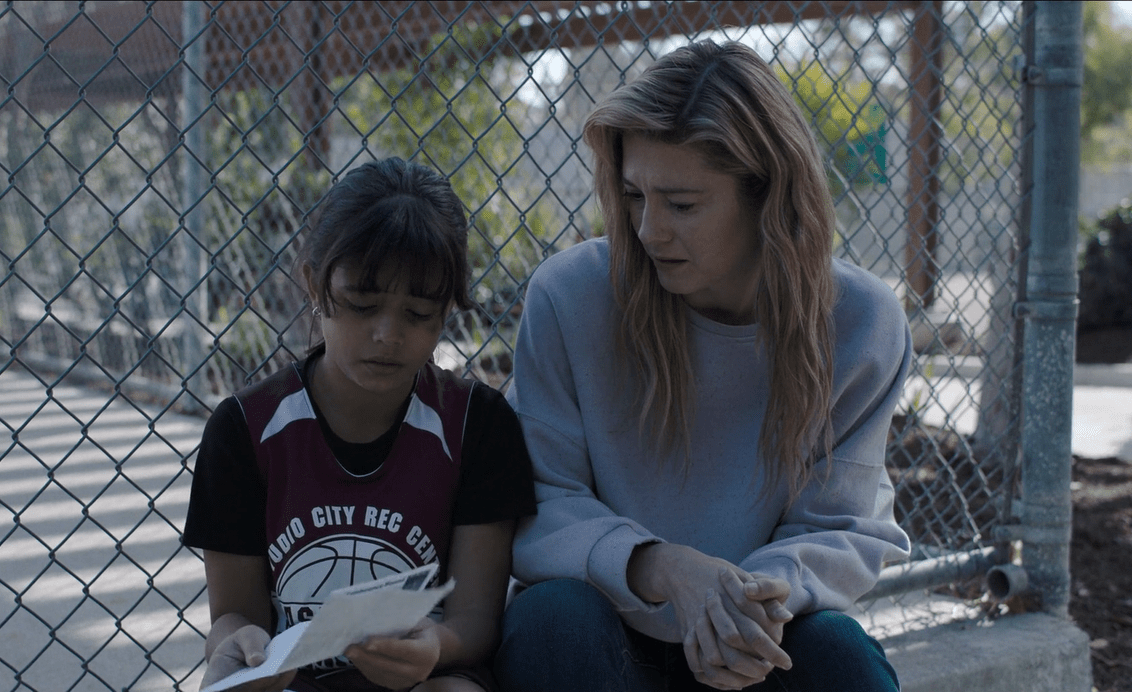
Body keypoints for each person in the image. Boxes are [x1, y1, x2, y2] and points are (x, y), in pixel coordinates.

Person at [494, 41, 912, 692]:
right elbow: (538, 501)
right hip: (602, 627)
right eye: (634, 195)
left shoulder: (860, 322)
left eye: (682, 204)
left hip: (759, 631)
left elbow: (839, 525)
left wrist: (735, 607)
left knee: (841, 655)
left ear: (766, 195)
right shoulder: (571, 296)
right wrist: (665, 567)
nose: (648, 231)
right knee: (552, 622)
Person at [183, 157, 537, 692]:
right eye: (361, 304)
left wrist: (436, 646)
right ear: (313, 284)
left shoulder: (478, 425)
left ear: (447, 309)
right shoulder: (243, 429)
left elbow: (475, 619)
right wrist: (237, 646)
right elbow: (234, 617)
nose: (387, 334)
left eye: (418, 314)